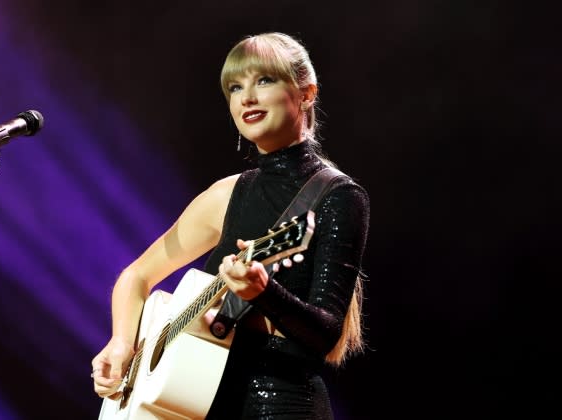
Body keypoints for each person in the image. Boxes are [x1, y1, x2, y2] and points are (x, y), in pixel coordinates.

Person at [92, 32, 370, 419]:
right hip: (198, 408)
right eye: (235, 87)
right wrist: (121, 344)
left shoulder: (337, 196)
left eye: (265, 80)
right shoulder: (225, 194)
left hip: (280, 403)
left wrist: (264, 292)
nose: (247, 97)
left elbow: (324, 334)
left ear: (306, 94)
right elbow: (136, 276)